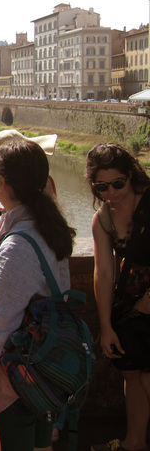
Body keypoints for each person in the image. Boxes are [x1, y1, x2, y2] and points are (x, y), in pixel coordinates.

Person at [0, 140, 75, 451]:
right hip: (40, 366)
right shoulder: (44, 223)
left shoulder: (17, 243)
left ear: (2, 183)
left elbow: (0, 320)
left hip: (11, 380)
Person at [86, 143, 150, 451]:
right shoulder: (104, 219)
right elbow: (104, 273)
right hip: (130, 307)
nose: (110, 192)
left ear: (130, 175)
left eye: (117, 184)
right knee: (132, 375)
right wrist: (106, 325)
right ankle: (134, 442)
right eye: (102, 186)